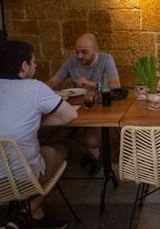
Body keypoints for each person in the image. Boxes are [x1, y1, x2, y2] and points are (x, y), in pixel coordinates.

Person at [0, 40, 77, 229]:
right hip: (21, 180)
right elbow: (70, 116)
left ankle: (37, 215)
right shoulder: (34, 87)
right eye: (34, 61)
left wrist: (30, 123)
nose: (35, 65)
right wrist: (34, 121)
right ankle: (23, 215)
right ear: (24, 66)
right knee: (61, 147)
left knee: (27, 151)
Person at [47, 33, 121, 175]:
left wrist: (89, 83)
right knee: (57, 134)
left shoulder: (106, 59)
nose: (79, 56)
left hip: (98, 108)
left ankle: (93, 155)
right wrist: (38, 89)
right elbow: (53, 81)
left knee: (92, 141)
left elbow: (116, 86)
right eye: (77, 51)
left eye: (84, 52)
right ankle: (91, 156)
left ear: (96, 50)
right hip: (76, 107)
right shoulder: (71, 61)